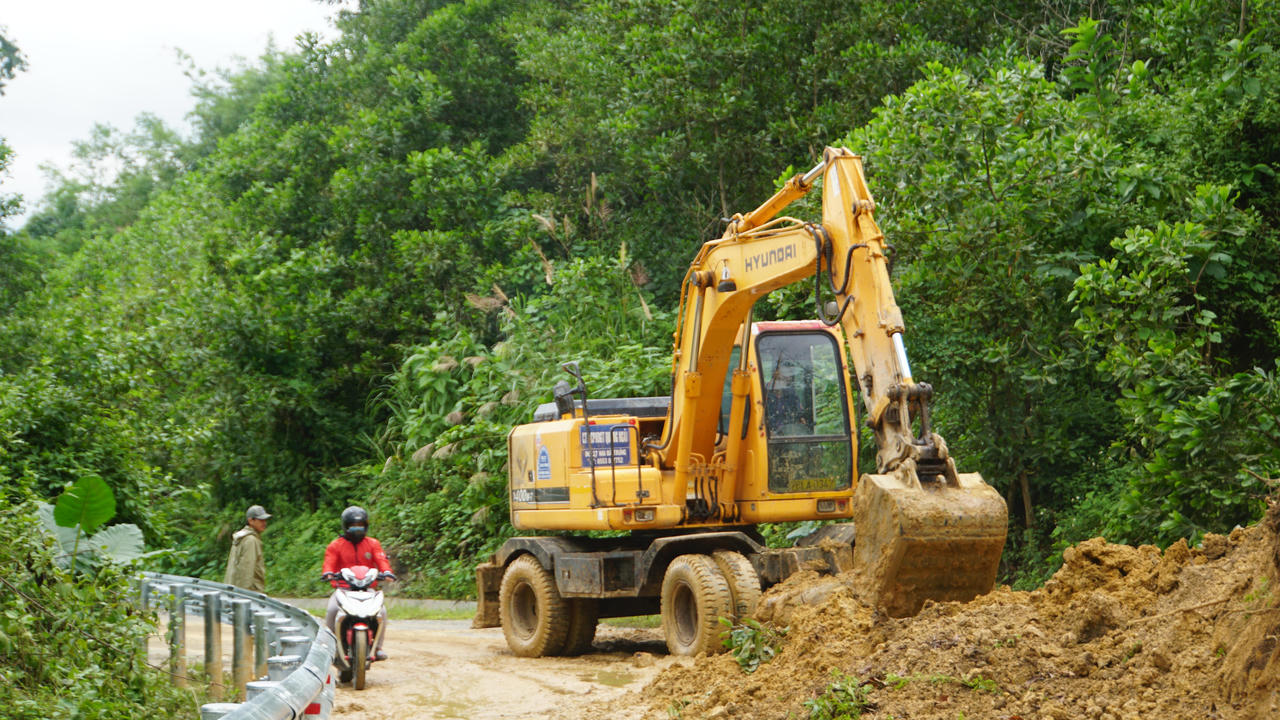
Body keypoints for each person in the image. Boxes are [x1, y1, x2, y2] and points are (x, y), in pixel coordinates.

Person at [323, 506, 395, 660]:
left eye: (361, 526)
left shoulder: (373, 544)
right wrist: (328, 573)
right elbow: (329, 562)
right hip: (343, 589)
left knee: (382, 612)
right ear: (346, 526)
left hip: (367, 588)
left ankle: (378, 648)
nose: (357, 530)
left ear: (366, 526)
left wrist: (387, 572)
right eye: (353, 526)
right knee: (332, 609)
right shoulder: (335, 545)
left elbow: (381, 560)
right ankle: (327, 646)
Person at [224, 505, 271, 592]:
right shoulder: (250, 540)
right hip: (250, 593)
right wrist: (244, 595)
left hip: (233, 589)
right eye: (260, 520)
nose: (264, 523)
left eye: (265, 520)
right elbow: (247, 570)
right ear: (251, 521)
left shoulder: (241, 537)